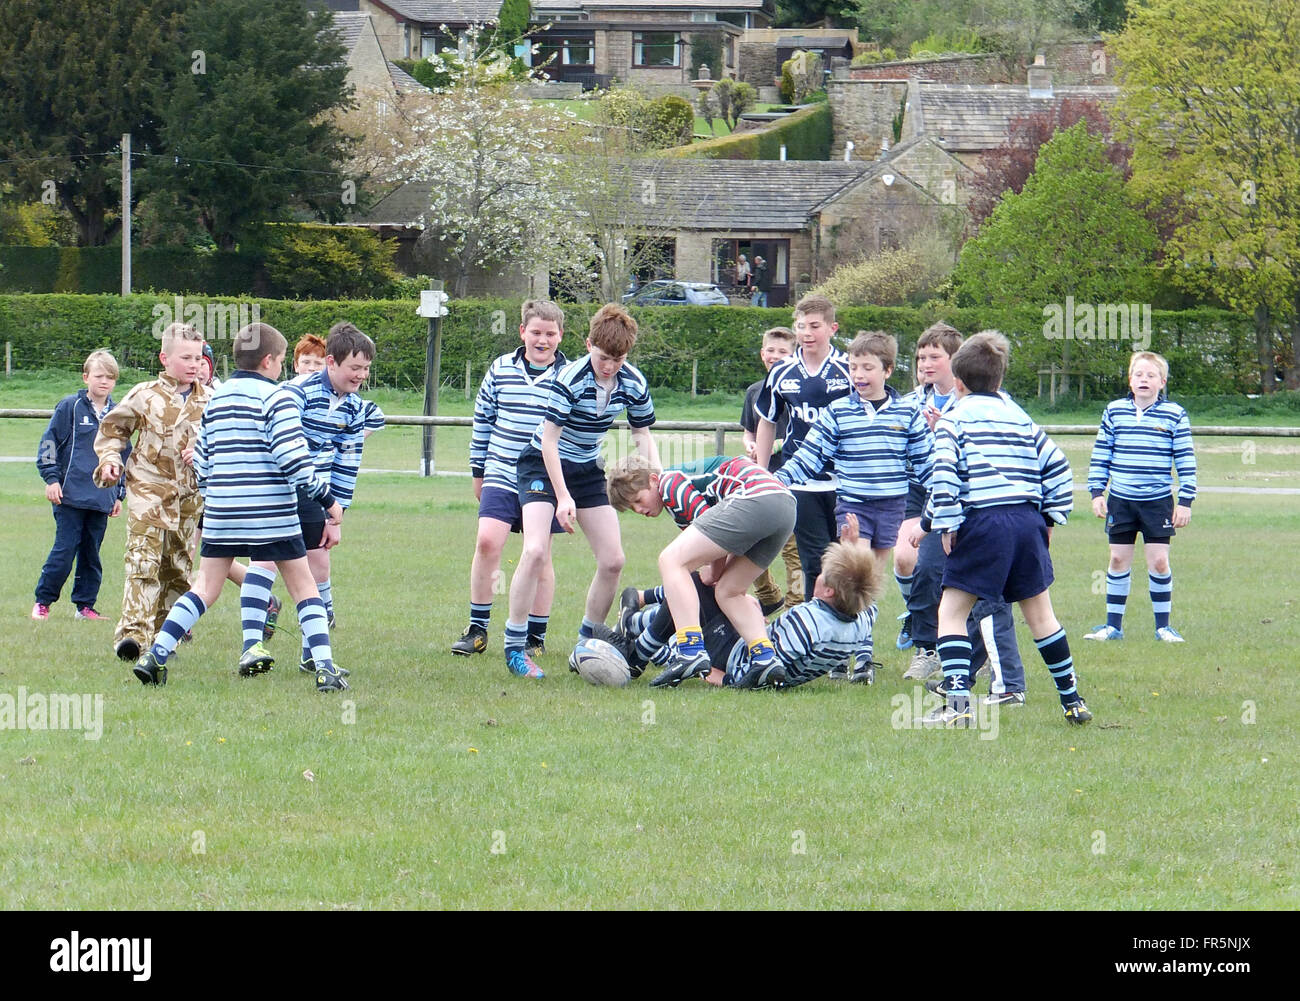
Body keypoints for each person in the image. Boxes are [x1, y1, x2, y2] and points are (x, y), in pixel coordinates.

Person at [130, 322, 347, 693]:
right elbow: (291, 457)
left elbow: (201, 458)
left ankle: (155, 655)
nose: (280, 368)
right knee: (303, 586)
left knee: (205, 587)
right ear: (269, 361)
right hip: (271, 514)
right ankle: (326, 668)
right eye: (280, 361)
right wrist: (327, 499)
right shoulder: (277, 398)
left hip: (221, 513)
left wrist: (217, 499)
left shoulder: (216, 398)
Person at [918, 331, 1090, 727]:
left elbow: (943, 477)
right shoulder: (1021, 418)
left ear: (957, 383)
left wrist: (943, 524)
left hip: (982, 522)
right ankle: (1073, 702)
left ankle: (957, 706)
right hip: (1026, 521)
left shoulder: (953, 421)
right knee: (1042, 616)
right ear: (999, 380)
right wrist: (1050, 517)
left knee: (952, 612)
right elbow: (1059, 467)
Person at [502, 303, 660, 680]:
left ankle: (586, 643)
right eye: (603, 357)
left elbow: (642, 435)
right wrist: (563, 496)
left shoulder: (634, 383)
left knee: (613, 560)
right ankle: (515, 647)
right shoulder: (570, 378)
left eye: (617, 359)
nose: (609, 366)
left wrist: (659, 478)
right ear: (589, 344)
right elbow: (549, 442)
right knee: (536, 550)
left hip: (588, 469)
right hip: (542, 463)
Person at [237, 322, 377, 675]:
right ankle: (251, 647)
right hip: (279, 489)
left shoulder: (356, 409)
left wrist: (337, 514)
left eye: (366, 369)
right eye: (354, 368)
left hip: (318, 495)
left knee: (317, 567)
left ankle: (311, 653)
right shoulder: (294, 393)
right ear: (331, 362)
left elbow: (348, 461)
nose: (360, 375)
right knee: (265, 563)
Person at [613, 513, 881, 690]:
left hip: (732, 654)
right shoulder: (859, 620)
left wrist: (720, 677)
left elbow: (765, 673)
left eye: (822, 576)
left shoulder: (808, 624)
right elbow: (862, 589)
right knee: (716, 593)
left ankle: (637, 642)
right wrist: (853, 551)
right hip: (746, 641)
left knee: (697, 584)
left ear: (830, 592)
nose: (817, 578)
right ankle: (634, 625)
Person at [606, 453, 796, 688]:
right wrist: (715, 574)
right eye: (631, 508)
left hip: (755, 497)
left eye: (638, 499)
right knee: (729, 592)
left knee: (671, 560)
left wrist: (713, 571)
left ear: (653, 479)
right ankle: (764, 660)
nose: (638, 509)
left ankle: (690, 650)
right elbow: (717, 542)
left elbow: (707, 526)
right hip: (785, 507)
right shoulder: (678, 489)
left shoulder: (670, 483)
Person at [452, 300, 568, 658]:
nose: (542, 340)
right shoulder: (500, 369)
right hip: (500, 471)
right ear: (522, 332)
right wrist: (478, 471)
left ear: (560, 336)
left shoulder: (569, 377)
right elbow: (482, 421)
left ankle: (534, 635)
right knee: (487, 542)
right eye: (536, 332)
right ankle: (478, 629)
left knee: (539, 555)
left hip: (542, 479)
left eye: (550, 334)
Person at [94, 323, 210, 662]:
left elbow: (228, 443)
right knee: (142, 561)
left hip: (188, 498)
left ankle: (165, 636)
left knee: (176, 568)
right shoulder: (144, 395)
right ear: (165, 358)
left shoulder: (212, 401)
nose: (193, 363)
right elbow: (113, 431)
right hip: (148, 492)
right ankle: (132, 636)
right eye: (185, 357)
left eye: (198, 357)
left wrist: (203, 450)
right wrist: (111, 460)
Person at [1084, 350, 1197, 642]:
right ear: (1130, 381)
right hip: (1120, 500)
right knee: (1118, 560)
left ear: (1162, 382)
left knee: (1159, 562)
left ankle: (1163, 627)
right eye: (1139, 374)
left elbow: (1185, 459)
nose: (1144, 379)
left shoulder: (1175, 414)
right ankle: (1112, 627)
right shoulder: (1114, 410)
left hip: (1158, 501)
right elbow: (1101, 454)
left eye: (1150, 375)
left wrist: (1185, 501)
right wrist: (1097, 492)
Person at [754, 293, 851, 601]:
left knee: (846, 562)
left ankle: (853, 632)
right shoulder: (782, 371)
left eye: (814, 326)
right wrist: (760, 472)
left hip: (846, 481)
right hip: (803, 481)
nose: (806, 333)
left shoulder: (849, 368)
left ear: (832, 328)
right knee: (813, 561)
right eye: (800, 326)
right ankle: (813, 632)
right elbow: (767, 421)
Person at [32, 350, 127, 622]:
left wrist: (119, 493)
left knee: (91, 555)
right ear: (86, 377)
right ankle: (43, 602)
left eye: (110, 377)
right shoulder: (69, 407)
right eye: (99, 376)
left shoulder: (119, 413)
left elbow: (124, 454)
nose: (104, 382)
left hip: (102, 498)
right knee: (64, 551)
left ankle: (85, 607)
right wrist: (51, 479)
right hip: (69, 496)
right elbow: (49, 444)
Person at [895, 322, 963, 653]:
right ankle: (914, 613)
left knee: (935, 565)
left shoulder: (969, 401)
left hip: (952, 491)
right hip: (917, 487)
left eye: (934, 356)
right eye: (921, 357)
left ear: (955, 359)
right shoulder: (910, 402)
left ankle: (936, 633)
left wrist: (942, 431)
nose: (925, 364)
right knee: (905, 558)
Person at [742, 326, 802, 612]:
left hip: (790, 479)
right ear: (762, 353)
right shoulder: (754, 391)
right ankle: (768, 595)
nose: (775, 356)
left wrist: (775, 444)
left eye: (783, 352)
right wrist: (751, 445)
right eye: (771, 350)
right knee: (750, 539)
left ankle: (797, 602)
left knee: (793, 549)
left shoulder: (798, 390)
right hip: (760, 478)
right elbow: (749, 431)